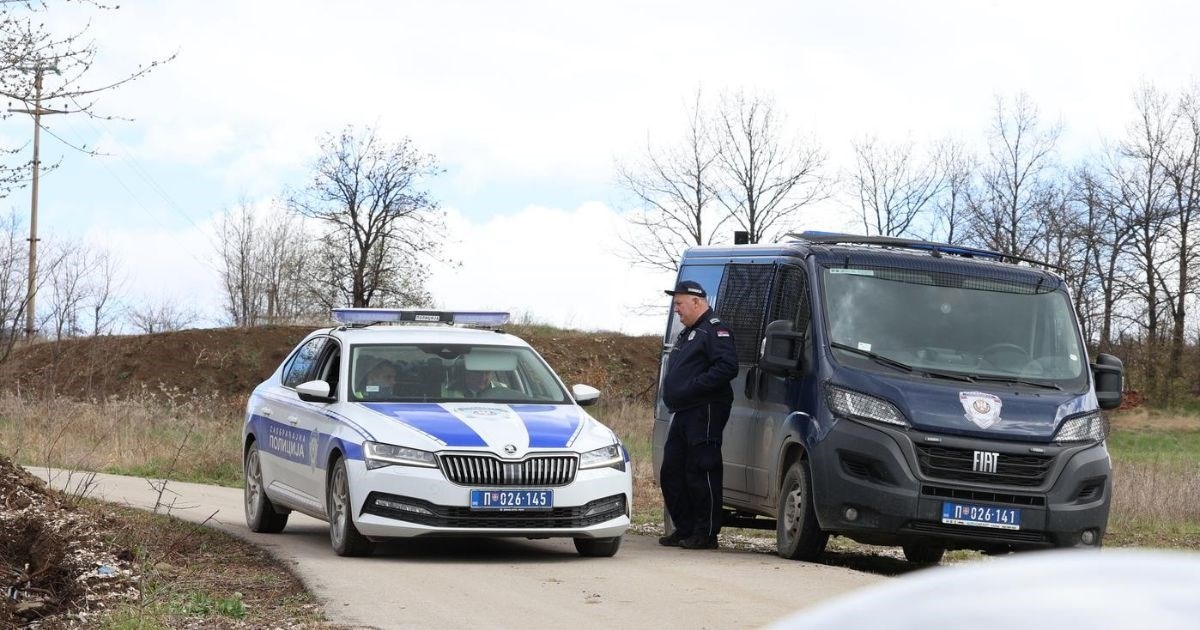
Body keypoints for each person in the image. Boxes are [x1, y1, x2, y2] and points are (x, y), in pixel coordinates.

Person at [658, 280, 738, 550]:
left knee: (701, 470)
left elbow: (727, 367)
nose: (676, 310)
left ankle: (706, 532)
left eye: (679, 304)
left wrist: (693, 388)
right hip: (683, 411)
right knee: (672, 471)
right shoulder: (690, 332)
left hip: (704, 409)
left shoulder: (715, 330)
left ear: (696, 301)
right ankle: (685, 528)